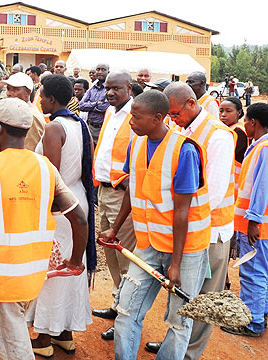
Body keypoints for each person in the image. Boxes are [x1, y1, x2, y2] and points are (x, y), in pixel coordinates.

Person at [0, 97, 88, 360]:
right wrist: (75, 261)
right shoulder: (46, 168)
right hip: (31, 279)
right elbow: (80, 220)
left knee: (12, 351)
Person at [102, 90, 210, 360]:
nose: (131, 122)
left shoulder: (184, 150)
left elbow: (182, 211)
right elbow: (132, 190)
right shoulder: (136, 144)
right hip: (148, 244)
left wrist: (175, 264)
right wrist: (115, 229)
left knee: (180, 319)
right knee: (127, 309)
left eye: (136, 117)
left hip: (185, 251)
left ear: (158, 118)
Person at [146, 82, 235, 359]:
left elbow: (215, 194)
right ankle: (174, 346)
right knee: (183, 296)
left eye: (174, 113)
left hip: (211, 233)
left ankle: (188, 354)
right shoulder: (183, 130)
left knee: (202, 301)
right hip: (190, 231)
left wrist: (182, 219)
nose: (172, 119)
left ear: (191, 104)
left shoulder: (217, 136)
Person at [27, 74, 94, 358]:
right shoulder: (80, 124)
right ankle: (64, 334)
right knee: (68, 268)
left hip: (60, 204)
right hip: (76, 198)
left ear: (52, 99)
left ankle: (43, 338)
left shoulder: (55, 127)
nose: (39, 100)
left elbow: (51, 175)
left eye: (41, 96)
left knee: (54, 269)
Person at [91, 71, 136, 340]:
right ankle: (117, 303)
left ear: (129, 88)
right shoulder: (111, 113)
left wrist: (127, 181)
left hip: (123, 195)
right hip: (104, 191)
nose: (109, 93)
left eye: (115, 88)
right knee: (110, 253)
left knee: (125, 256)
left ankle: (126, 315)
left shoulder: (137, 113)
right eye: (107, 88)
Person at [221, 103, 268, 337]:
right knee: (260, 270)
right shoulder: (258, 146)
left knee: (253, 273)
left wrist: (254, 220)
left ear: (253, 123)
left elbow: (261, 187)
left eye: (246, 120)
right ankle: (262, 311)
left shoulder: (264, 148)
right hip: (259, 225)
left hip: (257, 227)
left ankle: (253, 321)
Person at [219, 96, 249, 290]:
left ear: (239, 113)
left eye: (228, 111)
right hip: (231, 192)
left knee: (225, 241)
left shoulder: (236, 132)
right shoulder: (230, 131)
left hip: (232, 194)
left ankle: (224, 281)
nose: (222, 115)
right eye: (221, 110)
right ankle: (224, 279)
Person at [1, 72, 45, 151]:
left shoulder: (30, 116)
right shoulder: (20, 112)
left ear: (27, 93)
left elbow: (28, 152)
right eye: (8, 89)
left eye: (15, 89)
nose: (9, 93)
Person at [79, 63, 110, 146]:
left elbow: (104, 107)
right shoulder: (92, 88)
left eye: (103, 70)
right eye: (98, 69)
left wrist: (89, 106)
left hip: (102, 127)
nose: (100, 72)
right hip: (90, 126)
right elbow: (81, 105)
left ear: (108, 72)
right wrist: (96, 104)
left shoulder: (110, 88)